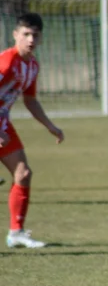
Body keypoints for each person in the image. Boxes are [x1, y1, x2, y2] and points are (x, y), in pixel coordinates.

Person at [1, 13, 65, 249]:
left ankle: (16, 233)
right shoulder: (6, 62)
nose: (30, 39)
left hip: (2, 123)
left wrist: (50, 126)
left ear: (41, 38)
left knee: (23, 174)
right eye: (26, 34)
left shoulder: (32, 66)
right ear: (15, 35)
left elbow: (30, 100)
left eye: (35, 35)